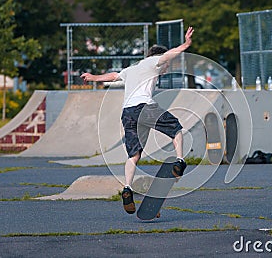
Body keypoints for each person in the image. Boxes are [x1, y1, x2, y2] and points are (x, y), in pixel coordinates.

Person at [81, 26, 194, 214]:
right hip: (144, 108)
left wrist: (93, 78)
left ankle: (127, 187)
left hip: (127, 112)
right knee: (176, 129)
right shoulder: (153, 62)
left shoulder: (132, 68)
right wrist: (186, 44)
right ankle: (180, 161)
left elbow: (114, 76)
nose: (166, 68)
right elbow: (169, 56)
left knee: (133, 155)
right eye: (165, 66)